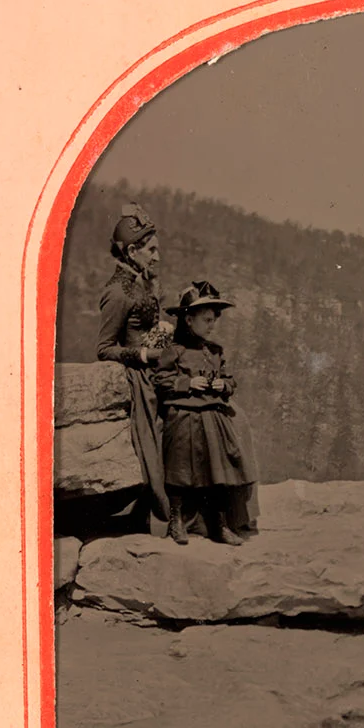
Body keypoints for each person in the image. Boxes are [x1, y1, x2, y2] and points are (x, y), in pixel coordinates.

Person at [153, 281, 257, 546]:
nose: (212, 326)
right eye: (206, 320)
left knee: (219, 467)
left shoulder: (215, 352)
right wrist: (187, 384)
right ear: (189, 319)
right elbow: (160, 380)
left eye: (214, 320)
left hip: (213, 415)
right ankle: (177, 522)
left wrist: (224, 386)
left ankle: (219, 524)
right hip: (183, 413)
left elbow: (230, 380)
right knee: (180, 467)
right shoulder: (174, 351)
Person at [96, 203, 171, 525]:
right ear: (130, 251)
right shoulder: (117, 292)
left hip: (157, 367)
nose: (157, 257)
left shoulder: (141, 283)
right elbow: (104, 349)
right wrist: (144, 355)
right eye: (151, 250)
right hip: (139, 377)